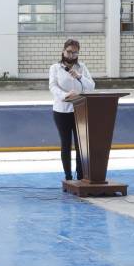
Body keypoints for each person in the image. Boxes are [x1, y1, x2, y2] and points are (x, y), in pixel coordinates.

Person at [49, 39, 95, 181]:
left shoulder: (81, 67)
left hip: (80, 110)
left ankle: (81, 176)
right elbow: (53, 86)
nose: (71, 55)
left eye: (75, 53)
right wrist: (65, 95)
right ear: (63, 51)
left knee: (81, 144)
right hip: (62, 110)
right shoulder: (55, 68)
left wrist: (79, 76)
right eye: (69, 51)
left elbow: (92, 86)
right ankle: (68, 177)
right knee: (66, 143)